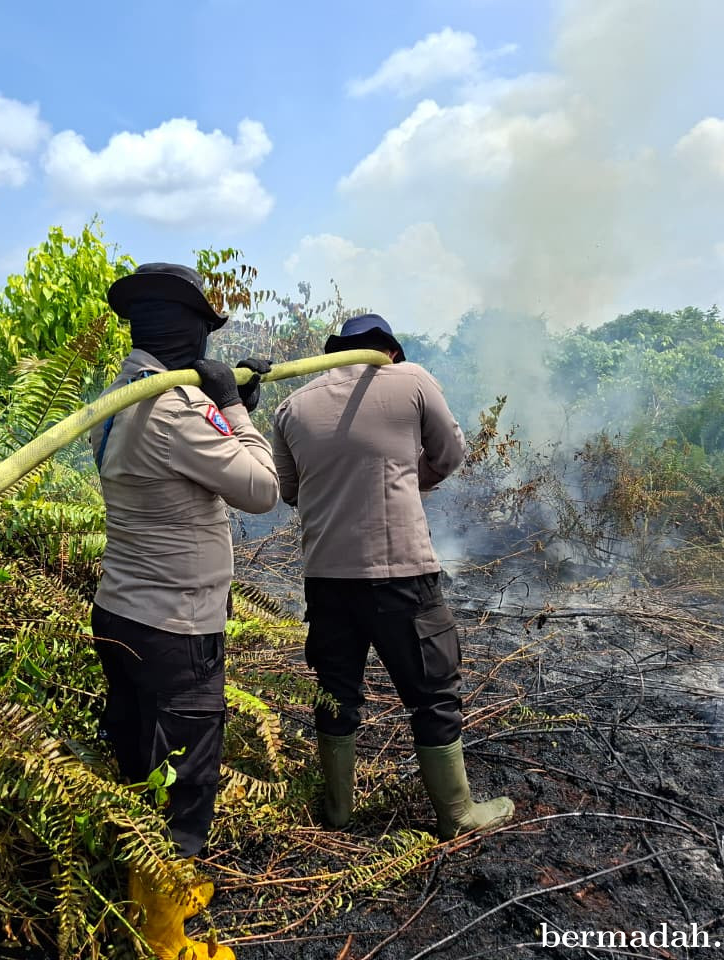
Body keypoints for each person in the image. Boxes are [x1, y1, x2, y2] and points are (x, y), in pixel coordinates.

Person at [92, 263, 277, 960]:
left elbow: (186, 458)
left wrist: (225, 405)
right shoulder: (171, 410)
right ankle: (164, 939)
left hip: (124, 611)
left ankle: (145, 893)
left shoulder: (123, 396)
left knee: (141, 759)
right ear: (188, 333)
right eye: (204, 332)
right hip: (175, 625)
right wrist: (236, 410)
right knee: (185, 774)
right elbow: (261, 488)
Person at [270, 313, 514, 839]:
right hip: (400, 575)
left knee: (336, 691)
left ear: (332, 353)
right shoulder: (412, 380)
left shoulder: (291, 406)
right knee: (433, 692)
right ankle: (456, 815)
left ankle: (337, 810)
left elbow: (289, 491)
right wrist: (403, 475)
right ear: (391, 351)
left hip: (326, 580)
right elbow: (449, 454)